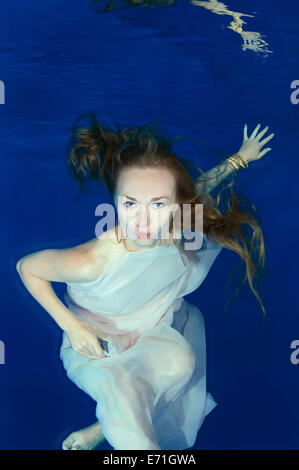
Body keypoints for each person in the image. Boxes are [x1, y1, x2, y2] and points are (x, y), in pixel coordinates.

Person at [16, 112, 274, 450]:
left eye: (158, 203)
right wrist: (72, 326)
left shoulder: (180, 220)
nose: (143, 220)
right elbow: (27, 267)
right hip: (100, 344)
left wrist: (240, 158)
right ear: (115, 200)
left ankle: (100, 429)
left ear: (176, 204)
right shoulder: (94, 258)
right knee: (123, 391)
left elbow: (202, 185)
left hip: (154, 326)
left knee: (181, 364)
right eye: (129, 203)